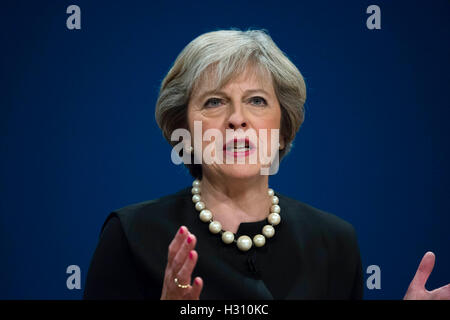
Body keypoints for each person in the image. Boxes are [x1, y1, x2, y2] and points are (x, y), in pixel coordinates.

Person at [84, 29, 449, 300]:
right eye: (214, 102)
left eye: (256, 101)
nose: (237, 119)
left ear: (283, 126)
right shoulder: (131, 236)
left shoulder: (335, 243)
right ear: (185, 129)